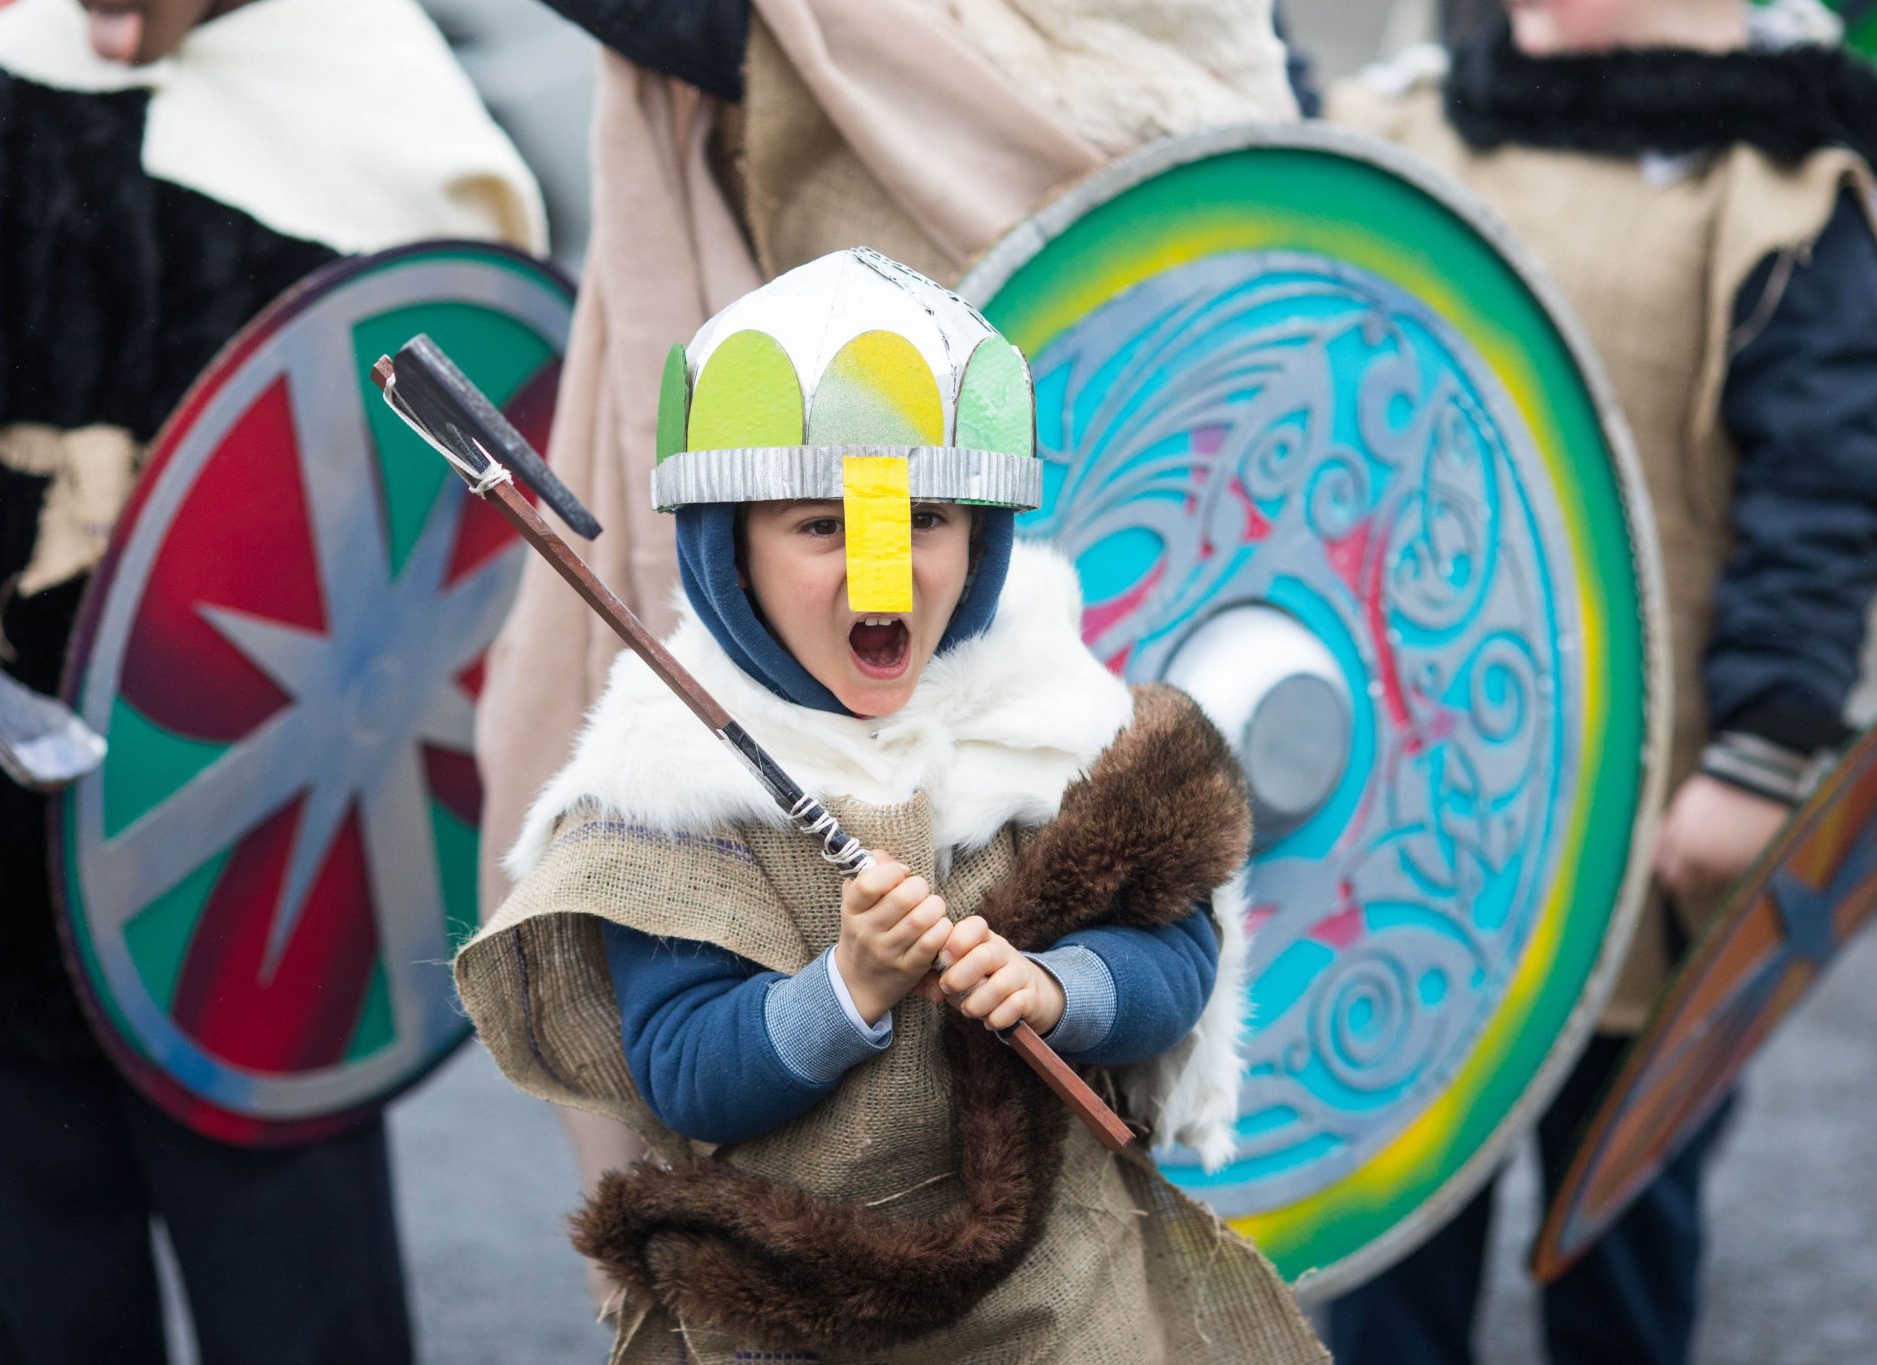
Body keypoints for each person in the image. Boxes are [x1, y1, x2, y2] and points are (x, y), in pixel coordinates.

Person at [453, 246, 1326, 1364]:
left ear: (982, 539)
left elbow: (1175, 960)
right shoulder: (669, 783)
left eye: (924, 520)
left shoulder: (1054, 718)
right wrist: (847, 987)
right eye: (823, 526)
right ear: (731, 551)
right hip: (803, 1308)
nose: (884, 572)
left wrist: (1059, 988)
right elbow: (683, 1071)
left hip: (1066, 1296)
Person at [0, 0, 545, 1358]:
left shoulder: (379, 115)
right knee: (45, 1273)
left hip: (258, 819)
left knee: (290, 1284)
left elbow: (465, 491)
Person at [1326, 2, 1877, 1361]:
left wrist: (1763, 750)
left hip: (1635, 829)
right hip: (1402, 830)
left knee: (1618, 1227)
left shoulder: (1775, 190)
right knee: (1391, 1241)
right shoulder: (1403, 132)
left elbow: (1820, 501)